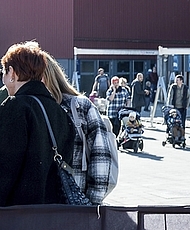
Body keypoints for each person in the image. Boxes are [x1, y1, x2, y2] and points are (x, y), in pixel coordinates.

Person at [0, 41, 75, 205]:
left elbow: (5, 168)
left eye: (4, 73)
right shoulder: (59, 111)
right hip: (53, 214)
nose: (4, 80)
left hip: (18, 214)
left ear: (12, 72)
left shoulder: (14, 107)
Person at [42, 51, 117, 204]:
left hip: (76, 201)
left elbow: (101, 155)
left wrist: (90, 205)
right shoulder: (29, 107)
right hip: (41, 206)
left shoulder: (80, 106)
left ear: (45, 76)